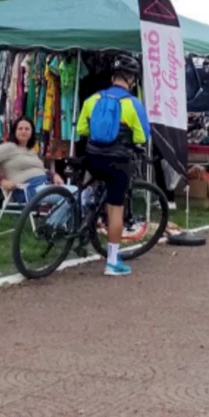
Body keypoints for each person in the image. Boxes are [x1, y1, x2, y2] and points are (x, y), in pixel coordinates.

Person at [76, 55, 150, 277]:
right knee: (116, 208)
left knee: (93, 185)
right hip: (117, 162)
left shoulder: (92, 100)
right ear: (132, 80)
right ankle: (112, 262)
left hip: (92, 157)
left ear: (112, 78)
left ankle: (84, 218)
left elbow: (81, 129)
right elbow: (142, 136)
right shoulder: (133, 104)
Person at [0, 116, 64, 202]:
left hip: (44, 185)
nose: (23, 131)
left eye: (27, 129)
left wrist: (54, 175)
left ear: (32, 132)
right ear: (14, 131)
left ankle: (55, 216)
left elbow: (41, 169)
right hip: (27, 190)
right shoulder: (8, 147)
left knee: (75, 192)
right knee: (70, 196)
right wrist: (3, 182)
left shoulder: (31, 150)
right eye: (20, 129)